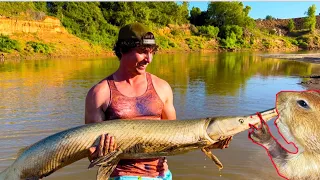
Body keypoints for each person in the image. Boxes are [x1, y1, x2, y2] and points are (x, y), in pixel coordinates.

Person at [85, 22, 232, 180]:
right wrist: (99, 152)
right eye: (142, 52)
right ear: (122, 49)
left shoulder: (162, 88)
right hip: (121, 176)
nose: (148, 59)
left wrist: (207, 143)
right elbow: (91, 152)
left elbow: (175, 139)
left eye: (152, 52)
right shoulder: (100, 93)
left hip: (161, 175)